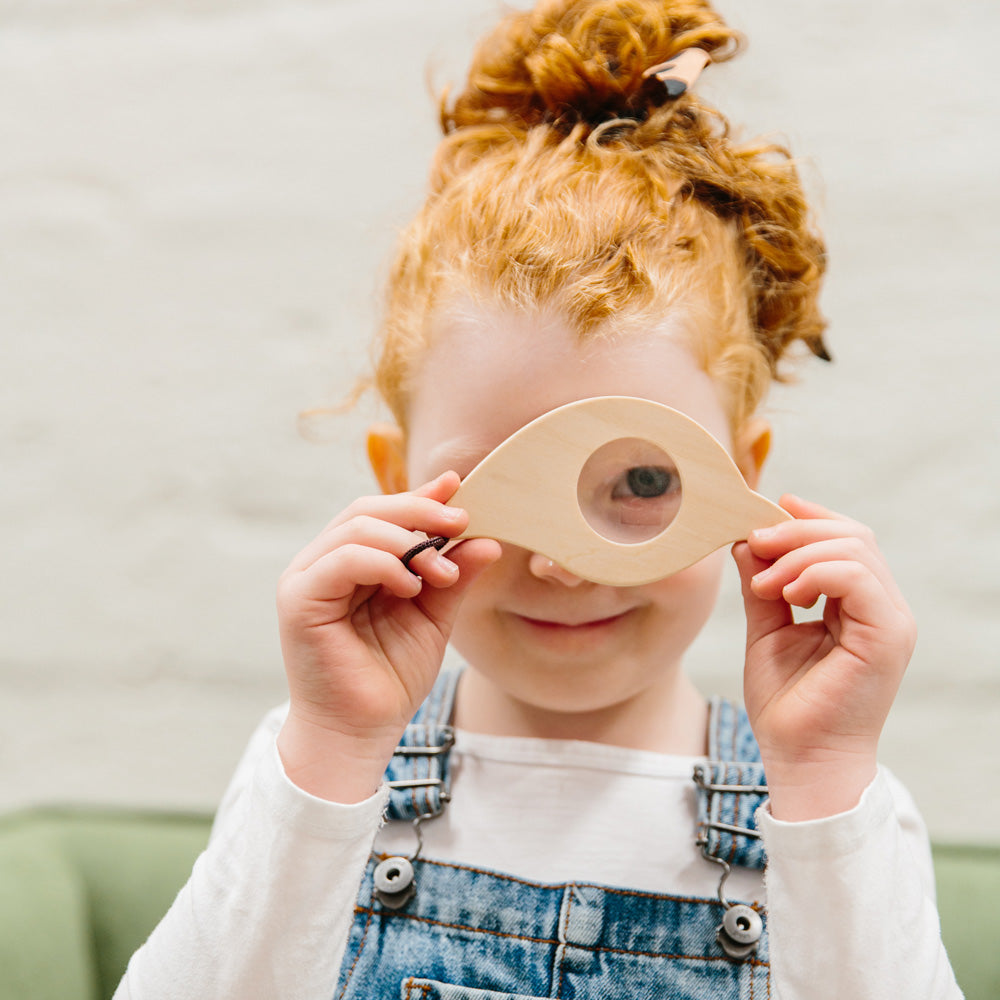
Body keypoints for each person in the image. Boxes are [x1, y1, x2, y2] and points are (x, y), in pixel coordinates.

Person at [115, 1, 963, 997]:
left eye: (644, 482)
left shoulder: (834, 804)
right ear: (397, 481)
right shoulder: (321, 770)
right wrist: (331, 750)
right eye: (497, 482)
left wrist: (821, 783)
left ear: (743, 477)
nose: (562, 562)